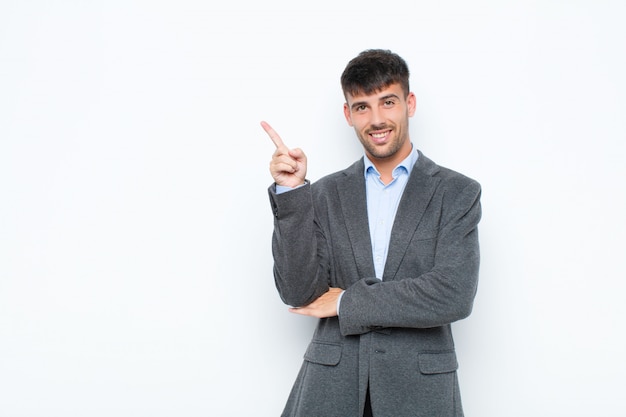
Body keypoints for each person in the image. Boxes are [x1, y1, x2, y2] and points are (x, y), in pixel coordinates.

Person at [261, 49, 481, 417]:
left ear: (409, 104)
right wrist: (292, 193)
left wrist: (347, 301)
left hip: (419, 391)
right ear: (348, 114)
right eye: (362, 106)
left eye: (388, 102)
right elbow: (300, 293)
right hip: (331, 389)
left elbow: (453, 295)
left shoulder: (457, 193)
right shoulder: (324, 194)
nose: (377, 119)